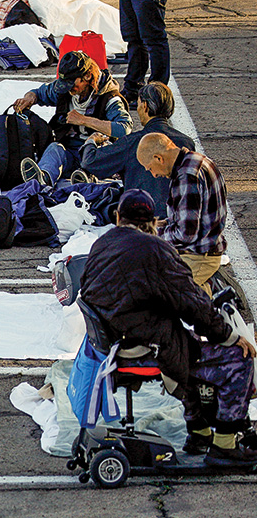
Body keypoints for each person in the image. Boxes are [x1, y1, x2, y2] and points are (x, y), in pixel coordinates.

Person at [80, 189, 257, 467]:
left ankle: (199, 433)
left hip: (113, 342)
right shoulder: (156, 250)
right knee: (236, 359)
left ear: (117, 217)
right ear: (154, 221)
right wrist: (229, 336)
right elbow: (193, 302)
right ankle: (225, 444)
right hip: (143, 347)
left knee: (188, 342)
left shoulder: (102, 244)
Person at [13, 51, 132, 186]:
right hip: (69, 151)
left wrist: (84, 120)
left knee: (94, 157)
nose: (69, 89)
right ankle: (43, 178)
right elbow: (39, 93)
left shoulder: (110, 98)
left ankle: (86, 177)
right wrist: (29, 98)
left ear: (87, 76)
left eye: (72, 83)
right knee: (54, 149)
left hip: (94, 152)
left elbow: (124, 128)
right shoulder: (65, 90)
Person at [78, 82, 194, 216]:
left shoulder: (132, 142)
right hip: (179, 217)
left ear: (144, 106)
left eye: (138, 104)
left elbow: (90, 162)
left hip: (143, 217)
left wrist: (91, 141)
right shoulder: (187, 143)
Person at [137, 132, 227, 293]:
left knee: (160, 292)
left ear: (159, 158)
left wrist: (152, 233)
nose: (154, 175)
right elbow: (190, 219)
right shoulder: (197, 160)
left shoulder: (186, 177)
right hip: (204, 245)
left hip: (199, 255)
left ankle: (207, 298)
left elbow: (185, 234)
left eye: (150, 168)